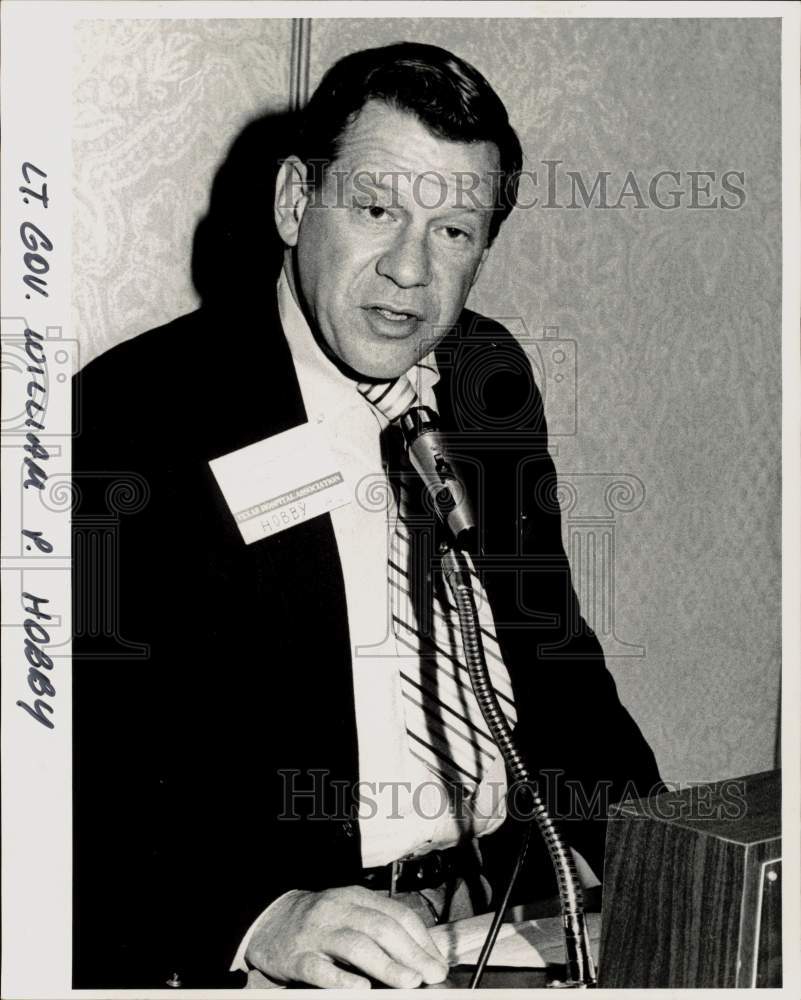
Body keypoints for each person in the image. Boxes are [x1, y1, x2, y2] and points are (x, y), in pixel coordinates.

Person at [72, 41, 662, 989]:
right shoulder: (137, 411)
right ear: (296, 202)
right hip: (308, 947)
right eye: (376, 209)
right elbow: (85, 761)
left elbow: (553, 654)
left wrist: (664, 864)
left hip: (500, 911)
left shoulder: (486, 374)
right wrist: (258, 915)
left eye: (454, 232)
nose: (408, 272)